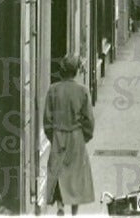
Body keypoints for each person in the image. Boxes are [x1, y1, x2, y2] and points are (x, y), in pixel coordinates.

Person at [43, 56, 95, 216]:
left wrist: (54, 136)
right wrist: (84, 136)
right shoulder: (82, 91)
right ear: (76, 71)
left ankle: (60, 206)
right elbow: (89, 121)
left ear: (62, 71)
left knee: (58, 172)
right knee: (76, 175)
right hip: (76, 137)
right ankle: (74, 212)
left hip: (59, 136)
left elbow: (47, 120)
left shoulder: (53, 89)